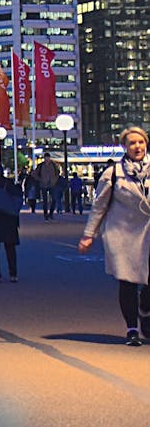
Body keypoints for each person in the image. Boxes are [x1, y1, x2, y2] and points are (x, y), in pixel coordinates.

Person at [78, 126, 150, 347]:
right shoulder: (114, 172)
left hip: (148, 233)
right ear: (124, 147)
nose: (137, 146)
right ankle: (131, 329)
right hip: (122, 234)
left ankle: (144, 309)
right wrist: (88, 235)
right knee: (127, 281)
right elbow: (99, 206)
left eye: (140, 142)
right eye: (132, 143)